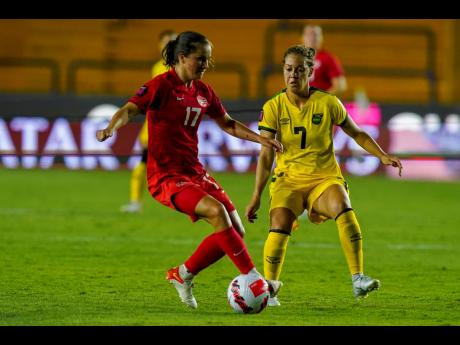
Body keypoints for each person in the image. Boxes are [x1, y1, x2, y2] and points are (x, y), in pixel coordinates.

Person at [96, 31, 283, 309]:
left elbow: (228, 124)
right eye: (201, 59)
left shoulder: (203, 91)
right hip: (166, 176)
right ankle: (255, 278)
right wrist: (111, 128)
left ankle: (182, 274)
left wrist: (260, 138)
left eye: (208, 59)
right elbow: (130, 109)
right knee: (217, 213)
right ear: (182, 58)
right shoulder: (161, 86)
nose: (206, 64)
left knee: (236, 231)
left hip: (195, 171)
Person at [245, 45, 403, 307]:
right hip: (288, 179)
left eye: (299, 70)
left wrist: (382, 155)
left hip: (324, 177)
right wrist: (256, 196)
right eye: (288, 69)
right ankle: (270, 289)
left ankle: (358, 279)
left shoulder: (328, 102)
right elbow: (265, 156)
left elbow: (357, 132)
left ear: (310, 71)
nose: (293, 75)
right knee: (280, 222)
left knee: (342, 206)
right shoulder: (273, 107)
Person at [120, 29, 177, 213]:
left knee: (185, 167)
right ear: (160, 45)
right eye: (167, 42)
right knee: (145, 163)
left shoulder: (182, 67)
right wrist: (146, 129)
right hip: (159, 126)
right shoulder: (158, 67)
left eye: (174, 42)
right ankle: (136, 202)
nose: (170, 46)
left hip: (176, 127)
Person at [301, 24, 347, 96]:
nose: (312, 38)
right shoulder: (298, 59)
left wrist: (322, 99)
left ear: (321, 38)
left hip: (321, 105)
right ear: (302, 37)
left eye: (315, 35)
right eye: (308, 35)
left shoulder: (328, 58)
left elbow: (340, 86)